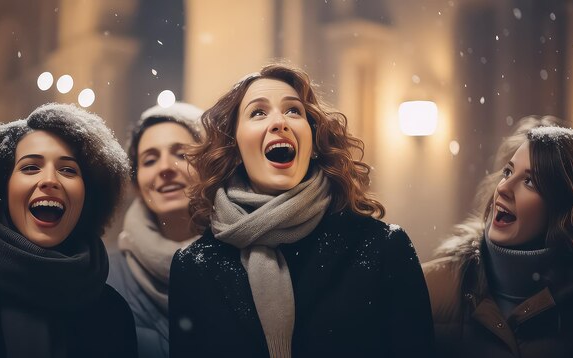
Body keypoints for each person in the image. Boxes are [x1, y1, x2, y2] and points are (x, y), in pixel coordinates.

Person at [169, 63, 435, 357]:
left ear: (314, 138)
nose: (279, 122)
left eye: (294, 110)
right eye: (258, 112)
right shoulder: (194, 265)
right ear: (234, 147)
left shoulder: (383, 248)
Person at [0, 103, 138, 357]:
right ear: (2, 188)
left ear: (89, 195)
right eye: (30, 167)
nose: (49, 179)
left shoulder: (112, 312)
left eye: (68, 170)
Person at [423, 123, 573, 357]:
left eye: (530, 181)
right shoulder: (428, 289)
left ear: (561, 208)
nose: (504, 187)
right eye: (508, 172)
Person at [107, 101, 203, 357]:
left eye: (181, 155)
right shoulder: (106, 278)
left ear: (209, 167)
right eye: (150, 160)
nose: (164, 169)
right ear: (137, 184)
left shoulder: (243, 261)